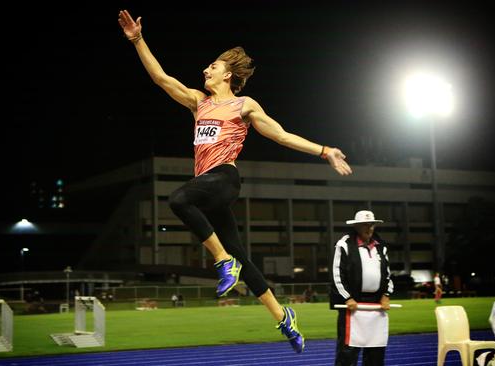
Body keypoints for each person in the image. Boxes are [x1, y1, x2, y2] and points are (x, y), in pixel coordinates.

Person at [118, 8, 352, 353]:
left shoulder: (244, 105)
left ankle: (221, 261)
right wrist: (138, 40)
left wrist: (324, 150)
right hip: (207, 186)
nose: (204, 70)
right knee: (244, 258)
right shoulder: (199, 102)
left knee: (179, 200)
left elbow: (282, 136)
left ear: (228, 74)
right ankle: (284, 317)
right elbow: (161, 78)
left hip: (224, 179)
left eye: (212, 66)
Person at [330, 210, 394, 366]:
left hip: (376, 306)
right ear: (356, 226)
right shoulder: (344, 244)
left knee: (376, 353)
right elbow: (337, 275)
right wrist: (348, 298)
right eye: (365, 225)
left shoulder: (381, 246)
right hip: (352, 306)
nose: (369, 228)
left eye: (372, 225)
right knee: (348, 353)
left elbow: (388, 275)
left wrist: (386, 294)